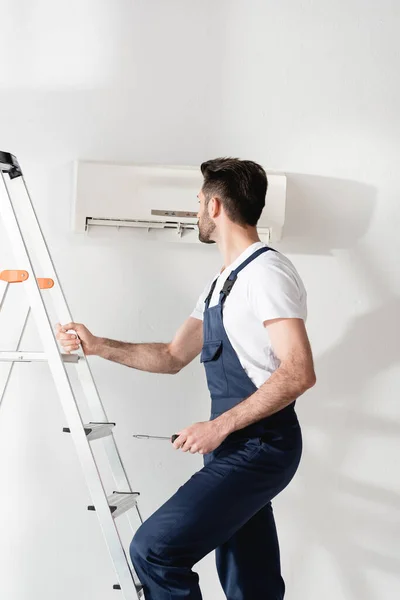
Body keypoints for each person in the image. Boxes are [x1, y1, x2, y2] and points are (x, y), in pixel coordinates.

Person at [56, 157, 316, 599]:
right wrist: (98, 344)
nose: (196, 211)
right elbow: (173, 355)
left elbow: (298, 372)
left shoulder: (265, 274)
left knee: (154, 550)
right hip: (232, 447)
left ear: (215, 207)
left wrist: (217, 427)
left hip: (260, 445)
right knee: (249, 580)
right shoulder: (221, 283)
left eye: (197, 202)